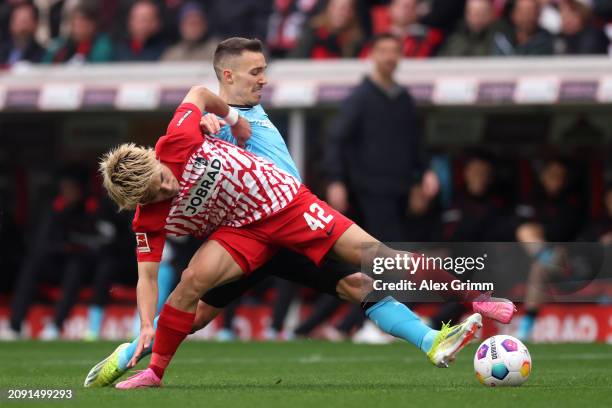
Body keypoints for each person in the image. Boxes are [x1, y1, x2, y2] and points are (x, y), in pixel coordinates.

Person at [85, 38, 514, 389]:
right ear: (228, 75)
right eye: (257, 72)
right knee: (190, 305)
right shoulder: (188, 139)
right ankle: (137, 356)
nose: (264, 79)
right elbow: (147, 264)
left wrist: (225, 118)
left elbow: (220, 121)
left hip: (288, 219)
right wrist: (209, 123)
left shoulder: (251, 122)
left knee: (365, 275)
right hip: (239, 235)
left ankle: (447, 324)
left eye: (264, 70)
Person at [325, 33, 439, 242]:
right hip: (369, 192)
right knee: (387, 250)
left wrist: (425, 173)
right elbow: (336, 140)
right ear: (372, 55)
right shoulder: (359, 98)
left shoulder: (405, 99)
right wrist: (336, 180)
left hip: (402, 191)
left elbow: (416, 142)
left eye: (395, 52)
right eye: (384, 51)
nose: (390, 57)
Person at [43, 4, 114, 64]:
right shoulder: (60, 45)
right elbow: (46, 66)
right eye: (75, 24)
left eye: (82, 23)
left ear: (93, 25)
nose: (78, 28)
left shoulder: (102, 45)